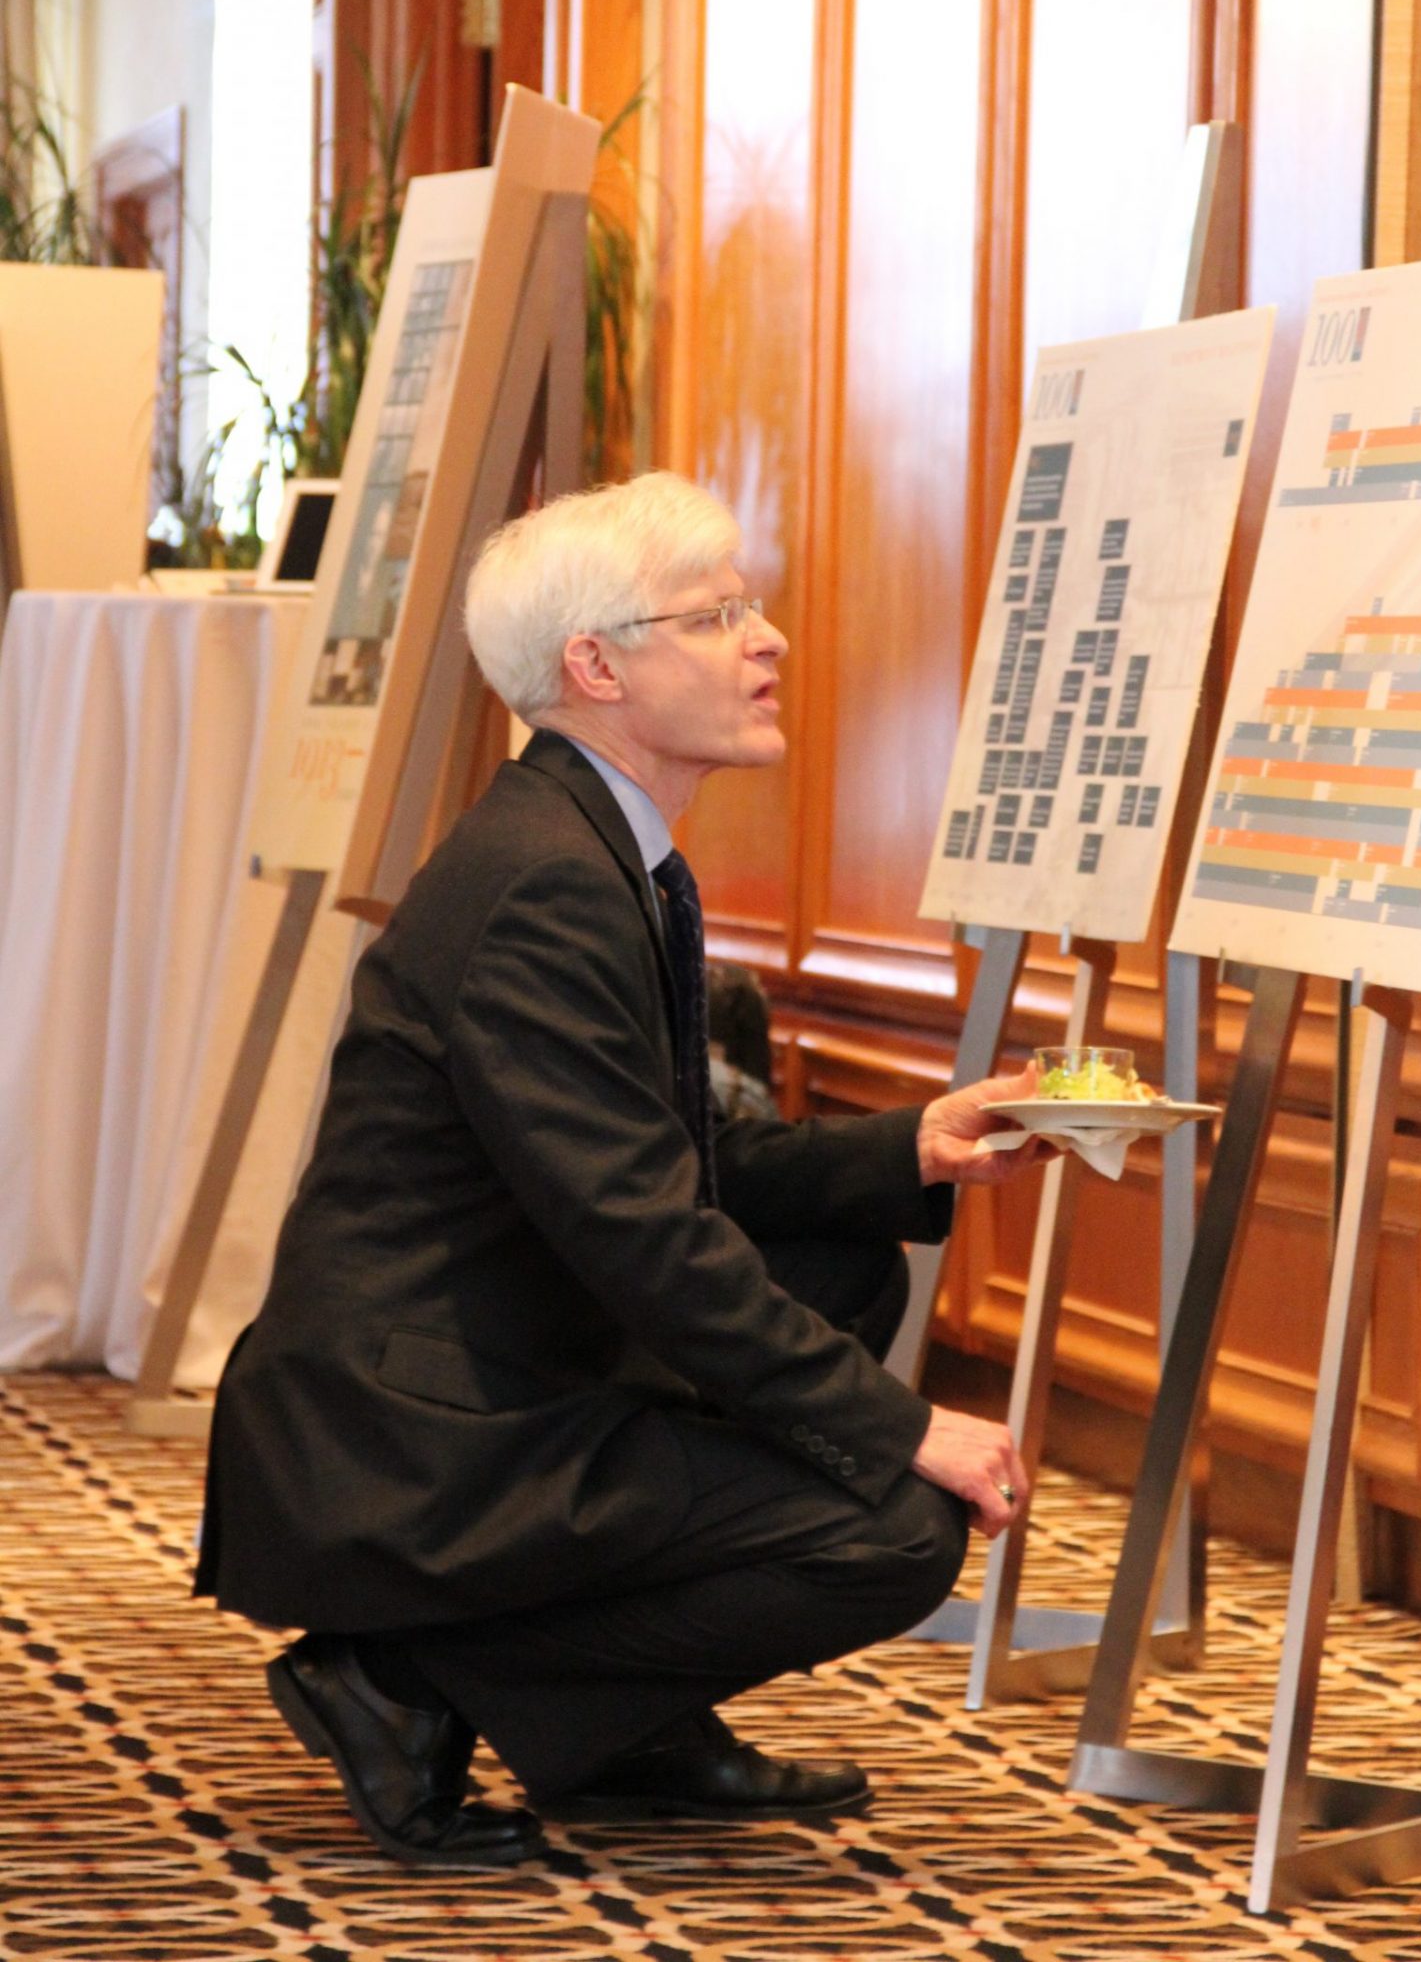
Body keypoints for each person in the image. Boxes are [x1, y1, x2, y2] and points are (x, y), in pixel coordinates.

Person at [196, 471, 1047, 1869]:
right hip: (418, 1429)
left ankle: (618, 1722)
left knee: (843, 1265)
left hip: (501, 1351)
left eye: (751, 607)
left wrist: (916, 1144)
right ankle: (404, 1682)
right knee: (894, 1529)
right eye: (716, 616)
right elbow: (653, 1241)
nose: (766, 639)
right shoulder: (550, 882)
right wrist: (910, 1432)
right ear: (595, 666)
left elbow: (675, 1163)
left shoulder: (601, 847)